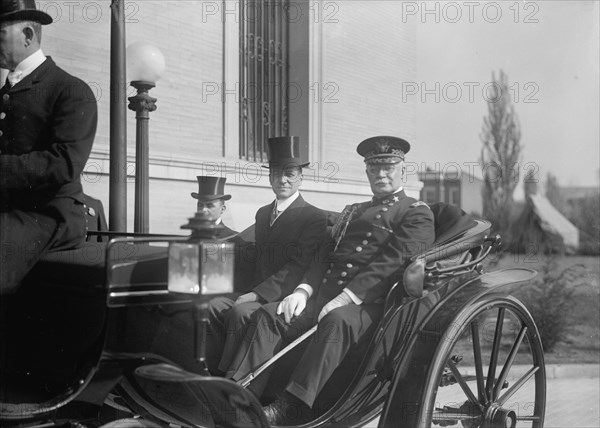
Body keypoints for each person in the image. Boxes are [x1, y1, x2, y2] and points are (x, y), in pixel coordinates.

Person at [225, 136, 436, 425]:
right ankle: (242, 399)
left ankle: (292, 406)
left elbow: (393, 262)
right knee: (269, 314)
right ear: (367, 172)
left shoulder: (416, 211)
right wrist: (302, 291)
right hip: (322, 296)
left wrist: (346, 297)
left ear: (402, 169)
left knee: (336, 322)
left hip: (371, 305)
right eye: (375, 169)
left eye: (389, 168)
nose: (381, 174)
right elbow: (324, 254)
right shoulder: (355, 211)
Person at [0, 0, 98, 294]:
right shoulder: (6, 92)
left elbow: (64, 163)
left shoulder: (71, 90)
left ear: (28, 34)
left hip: (49, 213)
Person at [208, 136, 327, 375]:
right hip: (257, 288)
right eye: (276, 173)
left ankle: (232, 379)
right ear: (270, 177)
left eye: (290, 173)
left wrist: (256, 295)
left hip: (284, 295)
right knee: (211, 305)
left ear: (300, 178)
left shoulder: (312, 216)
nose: (282, 179)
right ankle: (208, 371)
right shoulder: (263, 213)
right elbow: (255, 255)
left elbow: (298, 265)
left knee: (241, 312)